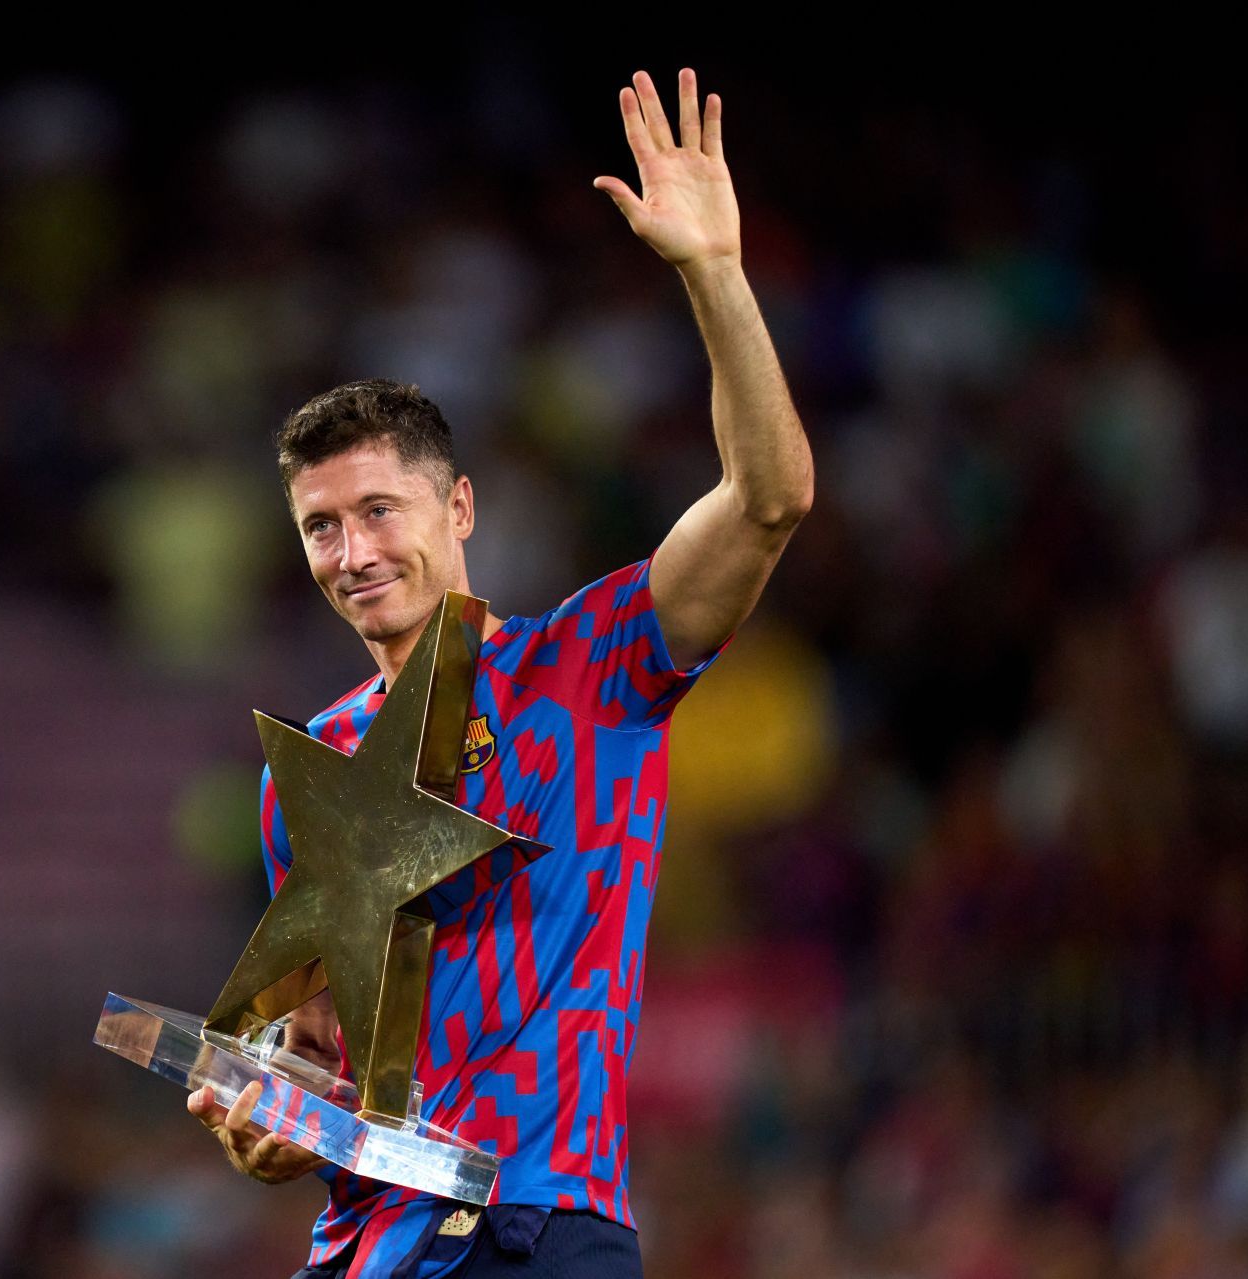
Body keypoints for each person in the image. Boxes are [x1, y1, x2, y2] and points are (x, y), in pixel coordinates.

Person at [188, 66, 813, 1278]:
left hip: (532, 1230)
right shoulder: (304, 773)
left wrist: (714, 273)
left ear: (461, 505)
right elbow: (318, 1056)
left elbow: (769, 499)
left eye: (381, 508)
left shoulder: (591, 664)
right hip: (362, 1251)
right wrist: (265, 1126)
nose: (355, 550)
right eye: (322, 525)